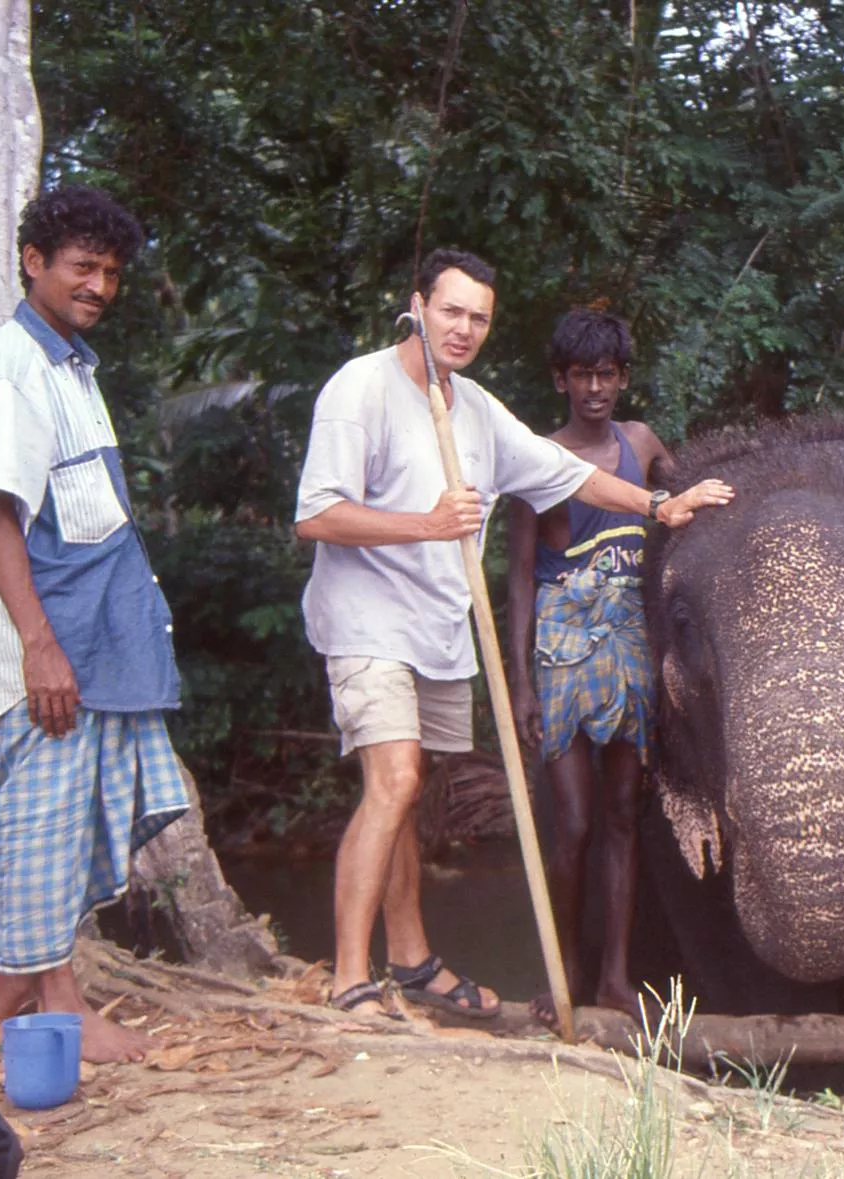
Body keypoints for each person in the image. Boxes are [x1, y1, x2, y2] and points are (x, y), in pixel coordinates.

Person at [294, 251, 731, 1020]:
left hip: (436, 628)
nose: (464, 328)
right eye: (451, 311)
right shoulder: (359, 389)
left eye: (479, 317)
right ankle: (350, 978)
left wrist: (656, 506)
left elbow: (566, 472)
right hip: (368, 623)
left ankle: (412, 960)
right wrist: (426, 523)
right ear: (417, 306)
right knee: (393, 780)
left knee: (406, 793)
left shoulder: (475, 409)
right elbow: (316, 514)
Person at [0, 187, 186, 1064]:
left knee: (63, 823)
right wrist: (41, 647)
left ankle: (4, 1010)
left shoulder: (69, 364)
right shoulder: (13, 368)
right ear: (33, 261)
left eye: (111, 271)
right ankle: (62, 1011)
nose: (99, 285)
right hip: (41, 650)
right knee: (37, 827)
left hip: (89, 644)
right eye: (82, 266)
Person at [506, 309, 673, 1022]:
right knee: (573, 822)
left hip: (629, 639)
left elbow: (684, 505)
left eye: (606, 375)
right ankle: (564, 969)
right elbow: (519, 577)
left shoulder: (642, 444)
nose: (595, 389)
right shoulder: (537, 459)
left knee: (623, 815)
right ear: (561, 380)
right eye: (582, 375)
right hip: (562, 647)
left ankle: (614, 977)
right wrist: (520, 683)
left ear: (623, 378)